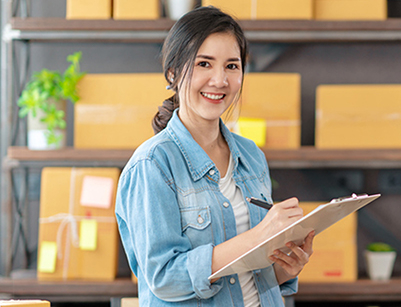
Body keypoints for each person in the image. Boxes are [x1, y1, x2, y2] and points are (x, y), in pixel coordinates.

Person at [115, 6, 314, 306]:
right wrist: (258, 237)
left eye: (232, 66)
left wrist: (283, 270)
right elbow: (164, 279)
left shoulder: (251, 156)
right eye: (204, 64)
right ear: (172, 72)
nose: (219, 80)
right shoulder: (152, 165)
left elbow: (248, 276)